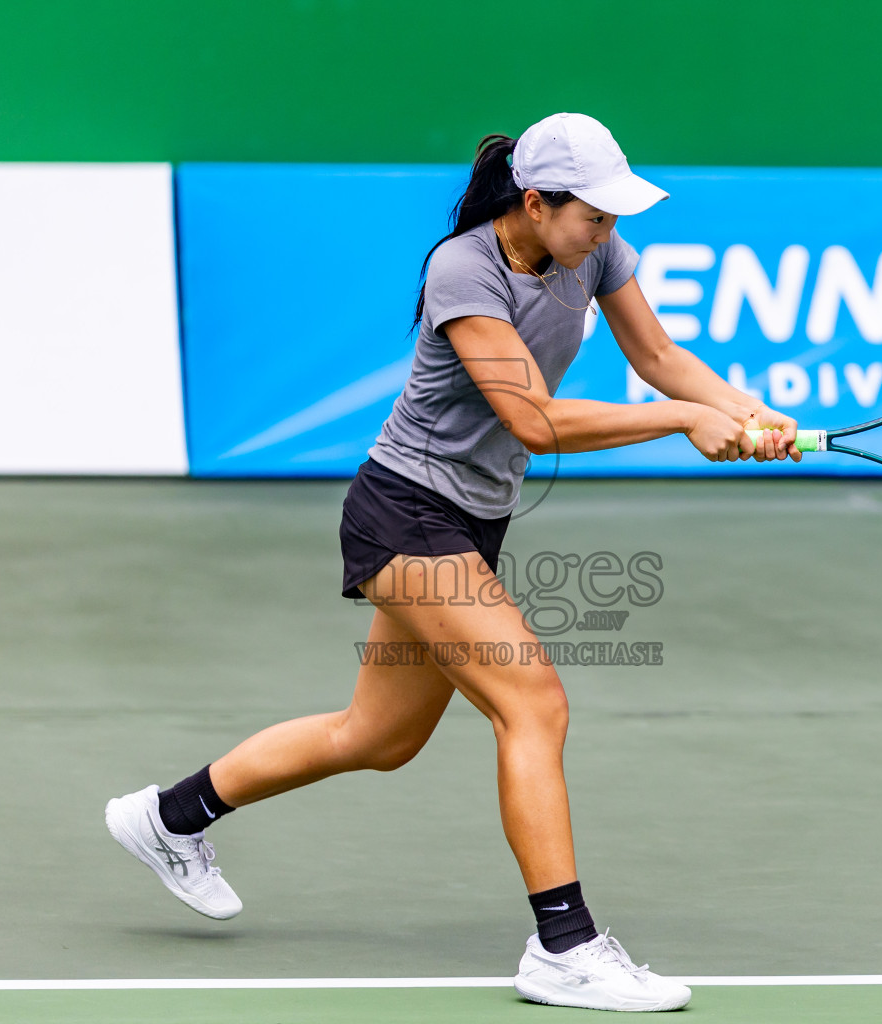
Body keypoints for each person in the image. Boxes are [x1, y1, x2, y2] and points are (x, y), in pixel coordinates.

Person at [106, 111, 800, 1012]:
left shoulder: (593, 251)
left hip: (473, 521)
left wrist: (747, 412)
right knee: (533, 702)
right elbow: (534, 420)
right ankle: (564, 946)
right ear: (536, 201)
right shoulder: (463, 268)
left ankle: (170, 816)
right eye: (594, 215)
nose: (609, 232)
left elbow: (661, 356)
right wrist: (681, 422)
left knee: (377, 738)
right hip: (404, 512)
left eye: (614, 217)